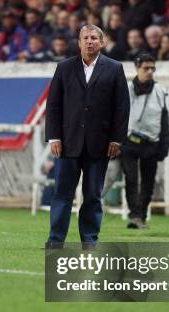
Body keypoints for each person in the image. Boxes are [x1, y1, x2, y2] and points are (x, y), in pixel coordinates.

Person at [45, 24, 129, 249]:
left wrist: (116, 139)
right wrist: (54, 136)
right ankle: (55, 241)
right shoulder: (64, 68)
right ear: (79, 43)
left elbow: (122, 108)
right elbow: (53, 104)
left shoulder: (114, 68)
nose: (90, 41)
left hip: (99, 144)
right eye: (86, 38)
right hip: (66, 144)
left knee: (92, 196)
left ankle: (89, 241)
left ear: (102, 43)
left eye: (94, 38)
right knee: (62, 195)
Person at [121, 53, 169, 229]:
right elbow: (116, 116)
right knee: (131, 179)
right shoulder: (125, 88)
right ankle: (134, 215)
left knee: (148, 181)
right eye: (146, 68)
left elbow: (165, 120)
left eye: (152, 68)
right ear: (137, 68)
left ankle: (141, 216)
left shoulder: (160, 91)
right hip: (129, 140)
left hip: (151, 142)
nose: (150, 72)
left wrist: (164, 146)